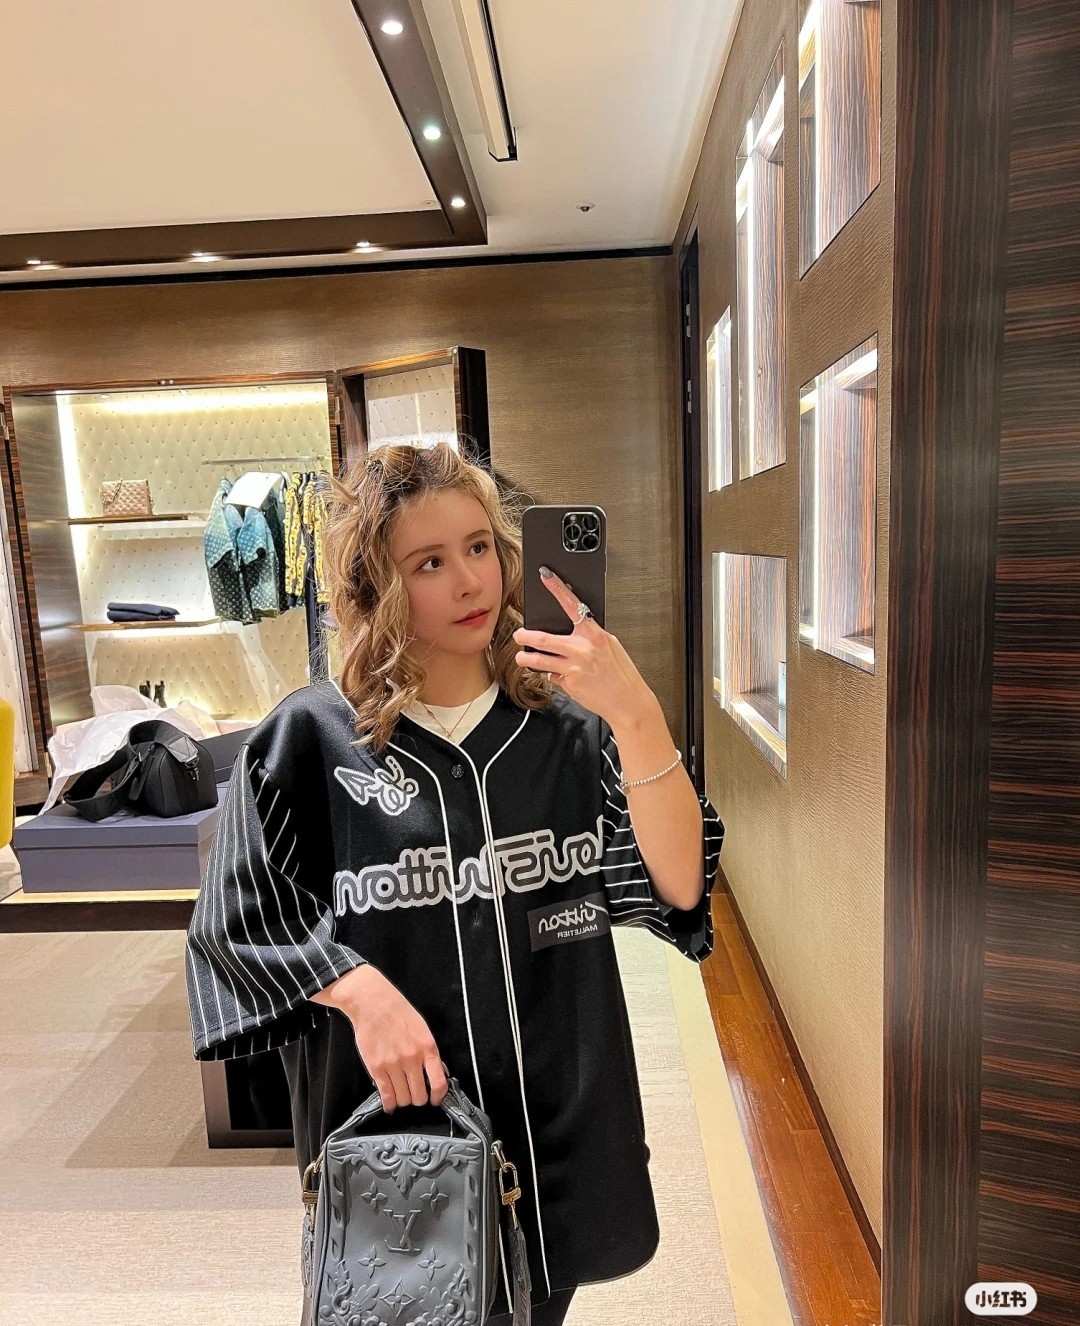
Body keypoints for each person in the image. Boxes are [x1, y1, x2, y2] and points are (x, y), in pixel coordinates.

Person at [185, 443, 725, 1326]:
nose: (470, 580)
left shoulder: (567, 732)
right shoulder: (312, 740)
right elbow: (234, 920)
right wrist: (357, 990)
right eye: (428, 562)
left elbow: (678, 883)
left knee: (538, 1303)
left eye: (479, 547)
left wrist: (636, 715)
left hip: (555, 1127)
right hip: (402, 1145)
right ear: (377, 585)